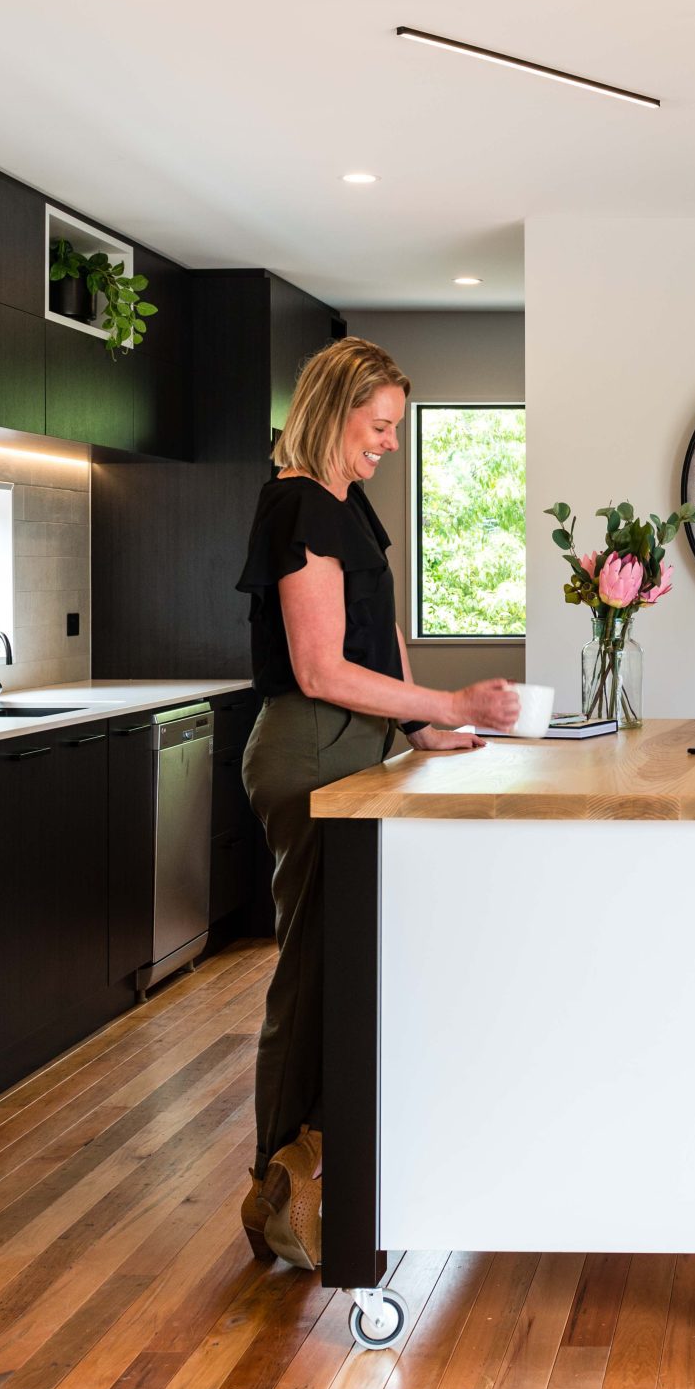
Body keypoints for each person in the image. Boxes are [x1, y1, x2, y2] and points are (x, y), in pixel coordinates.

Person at [233, 337, 521, 1268]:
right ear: (334, 409)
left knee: (341, 963)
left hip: (351, 746)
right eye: (381, 425)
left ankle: (304, 1178)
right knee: (314, 971)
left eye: (397, 427)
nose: (391, 442)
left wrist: (419, 730)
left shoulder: (345, 505)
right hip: (310, 749)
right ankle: (279, 1179)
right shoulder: (294, 504)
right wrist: (446, 704)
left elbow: (378, 631)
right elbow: (319, 665)